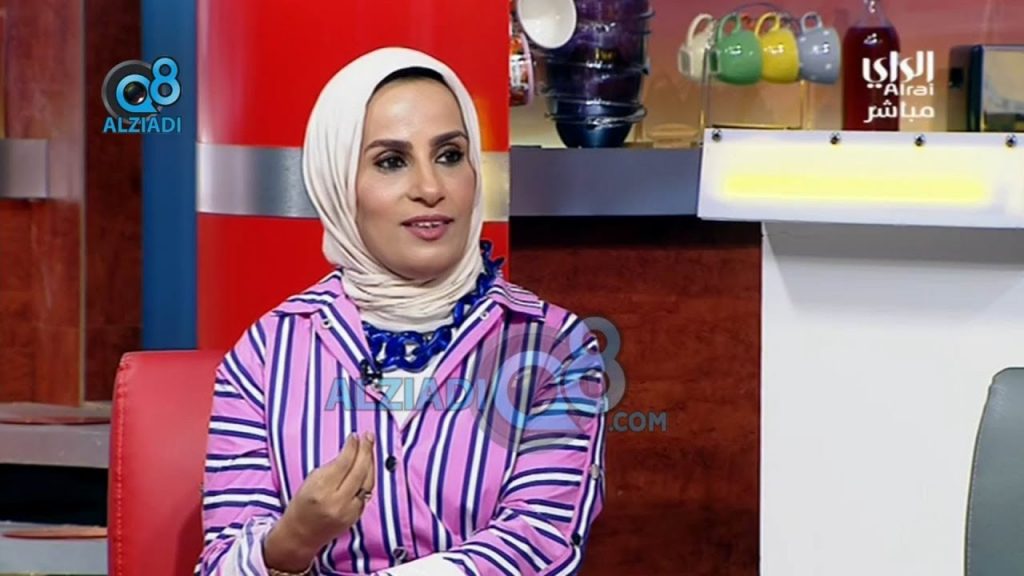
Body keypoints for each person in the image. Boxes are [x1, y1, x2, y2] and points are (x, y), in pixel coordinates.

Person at [196, 46, 607, 576]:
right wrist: (291, 541)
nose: (430, 189)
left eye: (450, 155)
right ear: (337, 183)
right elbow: (220, 564)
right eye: (391, 161)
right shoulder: (264, 356)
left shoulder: (553, 347)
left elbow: (538, 544)